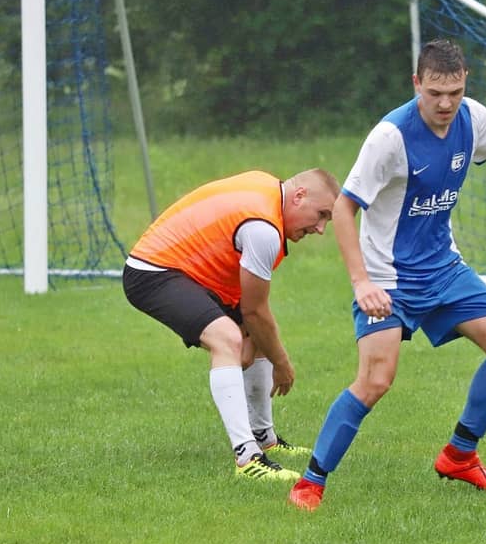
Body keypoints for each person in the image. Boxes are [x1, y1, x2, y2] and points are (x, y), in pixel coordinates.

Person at [289, 39, 486, 511]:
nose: (445, 104)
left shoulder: (473, 118)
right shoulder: (390, 137)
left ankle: (459, 456)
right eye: (434, 93)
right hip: (388, 279)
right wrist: (362, 283)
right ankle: (310, 483)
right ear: (416, 84)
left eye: (454, 92)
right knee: (375, 380)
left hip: (444, 269)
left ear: (465, 82)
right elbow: (344, 208)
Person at [124, 168, 340, 481]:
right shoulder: (263, 228)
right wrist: (282, 364)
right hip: (153, 272)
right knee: (228, 338)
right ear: (299, 196)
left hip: (193, 273)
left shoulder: (269, 192)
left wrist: (257, 340)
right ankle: (247, 457)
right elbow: (254, 310)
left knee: (259, 336)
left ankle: (264, 437)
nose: (320, 229)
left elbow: (255, 316)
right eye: (321, 215)